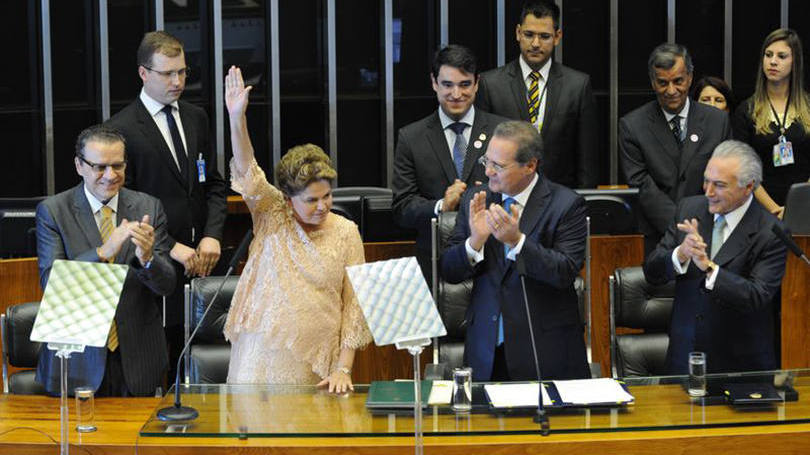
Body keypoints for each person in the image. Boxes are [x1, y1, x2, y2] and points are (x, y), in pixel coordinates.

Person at [223, 66, 371, 392]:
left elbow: (355, 308)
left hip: (319, 368)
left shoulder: (346, 231)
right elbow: (248, 171)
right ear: (288, 199)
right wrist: (237, 118)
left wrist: (344, 369)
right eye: (311, 200)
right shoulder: (272, 215)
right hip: (259, 362)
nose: (322, 206)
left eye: (327, 196)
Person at [105, 31, 227, 380]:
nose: (178, 81)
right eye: (167, 73)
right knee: (163, 368)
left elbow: (213, 184)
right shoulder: (121, 128)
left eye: (183, 72)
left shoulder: (195, 117)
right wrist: (171, 247)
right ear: (144, 73)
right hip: (159, 266)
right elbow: (124, 205)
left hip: (204, 263)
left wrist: (212, 236)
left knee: (203, 366)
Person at [440, 120, 589, 382]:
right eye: (487, 161)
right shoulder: (476, 200)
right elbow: (449, 271)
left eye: (498, 166)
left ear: (530, 165)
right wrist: (474, 242)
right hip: (486, 351)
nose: (487, 171)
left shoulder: (566, 204)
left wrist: (517, 241)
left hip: (544, 350)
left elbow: (565, 271)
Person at [35, 125, 175, 396]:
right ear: (79, 165)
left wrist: (147, 259)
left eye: (117, 166)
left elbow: (167, 284)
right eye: (100, 167)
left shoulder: (148, 207)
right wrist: (103, 251)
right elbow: (52, 282)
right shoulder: (53, 211)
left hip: (137, 357)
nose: (110, 176)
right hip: (77, 359)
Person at [644, 140, 787, 374]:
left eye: (719, 185)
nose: (708, 192)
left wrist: (709, 268)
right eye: (706, 181)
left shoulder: (770, 231)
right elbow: (652, 272)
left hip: (740, 367)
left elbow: (756, 296)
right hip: (683, 359)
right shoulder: (689, 209)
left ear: (748, 186)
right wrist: (680, 253)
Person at [392, 44, 507, 282]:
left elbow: (520, 193)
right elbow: (402, 209)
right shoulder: (411, 137)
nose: (456, 94)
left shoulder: (503, 132)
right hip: (435, 265)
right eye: (447, 84)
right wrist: (441, 205)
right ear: (434, 82)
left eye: (464, 84)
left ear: (476, 83)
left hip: (494, 262)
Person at [620, 43, 732, 254]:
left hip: (709, 233)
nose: (671, 90)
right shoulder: (633, 126)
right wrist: (681, 229)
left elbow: (726, 177)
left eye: (678, 81)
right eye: (663, 83)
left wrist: (701, 226)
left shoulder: (717, 121)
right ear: (653, 82)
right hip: (658, 238)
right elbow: (642, 186)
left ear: (690, 78)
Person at [475, 0, 599, 189]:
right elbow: (484, 153)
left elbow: (587, 159)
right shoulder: (491, 84)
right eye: (529, 34)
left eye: (544, 36)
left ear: (557, 37)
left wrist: (584, 202)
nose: (535, 43)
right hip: (506, 194)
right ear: (518, 33)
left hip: (560, 198)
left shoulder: (577, 86)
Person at [732, 28, 810, 219]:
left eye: (781, 56)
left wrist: (797, 206)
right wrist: (774, 209)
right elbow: (743, 168)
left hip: (805, 207)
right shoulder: (746, 110)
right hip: (759, 210)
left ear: (795, 62)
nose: (773, 61)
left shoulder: (808, 107)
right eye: (768, 55)